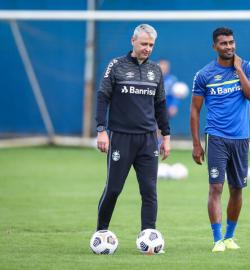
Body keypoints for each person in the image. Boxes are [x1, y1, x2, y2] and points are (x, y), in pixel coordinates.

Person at [95, 24, 170, 238]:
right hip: (121, 137)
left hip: (148, 139)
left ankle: (149, 236)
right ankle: (101, 232)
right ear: (133, 41)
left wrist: (166, 137)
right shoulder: (116, 65)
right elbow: (102, 98)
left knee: (149, 191)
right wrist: (101, 130)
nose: (148, 48)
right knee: (114, 189)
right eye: (144, 43)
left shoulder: (155, 70)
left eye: (151, 45)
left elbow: (161, 105)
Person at [190, 27, 250, 252]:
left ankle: (230, 237)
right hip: (217, 137)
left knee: (237, 189)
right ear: (214, 47)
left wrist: (239, 70)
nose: (228, 46)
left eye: (231, 42)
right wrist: (196, 143)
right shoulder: (204, 75)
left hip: (241, 138)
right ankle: (217, 239)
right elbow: (195, 110)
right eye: (223, 43)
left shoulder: (247, 67)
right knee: (216, 188)